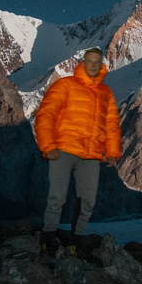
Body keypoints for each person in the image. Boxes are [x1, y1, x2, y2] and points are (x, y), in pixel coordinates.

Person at [33, 47, 121, 255]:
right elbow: (45, 115)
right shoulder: (65, 85)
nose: (92, 65)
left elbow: (112, 125)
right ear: (83, 62)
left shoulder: (106, 93)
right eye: (89, 61)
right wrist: (48, 146)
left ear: (101, 65)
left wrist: (112, 151)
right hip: (63, 150)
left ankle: (75, 240)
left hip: (91, 155)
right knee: (57, 197)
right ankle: (48, 238)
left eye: (96, 62)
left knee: (87, 201)